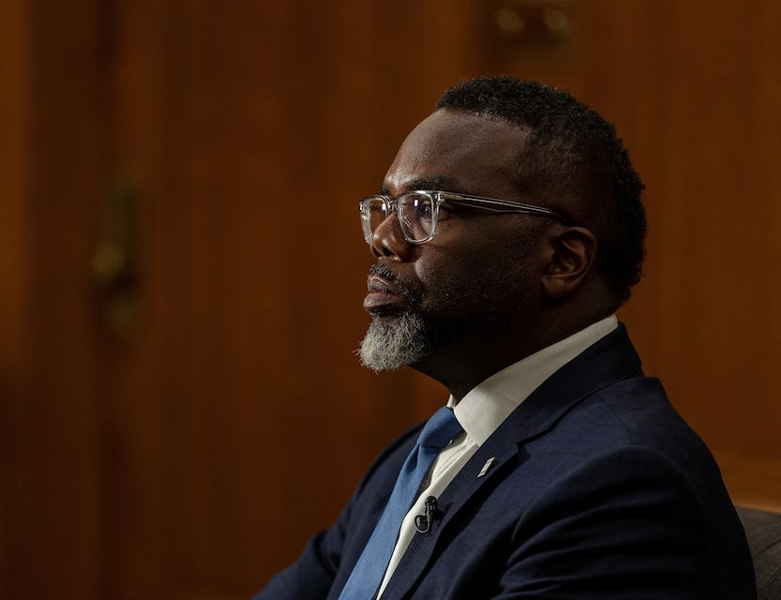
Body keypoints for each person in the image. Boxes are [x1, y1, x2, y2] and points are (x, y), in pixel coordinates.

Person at [254, 76, 755, 599]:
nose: (383, 239)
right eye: (384, 207)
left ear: (562, 260)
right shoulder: (416, 456)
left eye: (426, 208)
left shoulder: (622, 480)